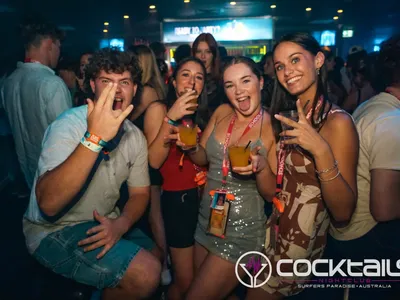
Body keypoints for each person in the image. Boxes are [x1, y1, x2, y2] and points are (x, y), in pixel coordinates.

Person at [23, 48, 161, 300]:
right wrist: (94, 138)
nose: (117, 91)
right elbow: (49, 205)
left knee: (159, 256)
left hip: (104, 220)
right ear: (92, 86)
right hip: (53, 230)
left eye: (125, 82)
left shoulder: (134, 136)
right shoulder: (68, 125)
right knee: (146, 273)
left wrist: (121, 224)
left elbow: (140, 194)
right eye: (107, 82)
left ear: (135, 89)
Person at [248, 32, 359, 299]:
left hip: (301, 252)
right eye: (280, 66)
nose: (288, 72)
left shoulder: (338, 122)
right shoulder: (289, 117)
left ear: (318, 60)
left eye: (295, 60)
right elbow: (273, 194)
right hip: (274, 236)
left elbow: (343, 213)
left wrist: (320, 149)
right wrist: (262, 166)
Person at [172, 56, 277, 299]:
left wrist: (261, 168)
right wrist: (189, 146)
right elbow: (204, 159)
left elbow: (271, 193)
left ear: (260, 82)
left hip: (242, 232)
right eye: (230, 85)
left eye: (245, 81)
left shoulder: (273, 126)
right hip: (207, 220)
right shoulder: (221, 113)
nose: (238, 91)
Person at [328, 34, 400, 300]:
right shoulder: (390, 120)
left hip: (345, 230)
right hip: (362, 238)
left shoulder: (374, 105)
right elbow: (383, 210)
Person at [144, 56, 209, 300]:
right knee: (185, 281)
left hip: (202, 201)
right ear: (173, 81)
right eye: (186, 75)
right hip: (177, 202)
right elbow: (153, 161)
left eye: (199, 77)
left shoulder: (200, 116)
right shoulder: (158, 109)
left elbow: (205, 159)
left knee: (200, 277)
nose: (192, 82)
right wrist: (170, 118)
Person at [1, 17, 72, 189]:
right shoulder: (52, 83)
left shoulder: (8, 81)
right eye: (58, 47)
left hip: (30, 178)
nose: (59, 53)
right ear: (49, 44)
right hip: (57, 176)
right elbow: (69, 140)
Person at [192, 33, 224, 113]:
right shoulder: (188, 81)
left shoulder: (222, 81)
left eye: (208, 52)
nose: (203, 56)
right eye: (199, 51)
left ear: (213, 54)